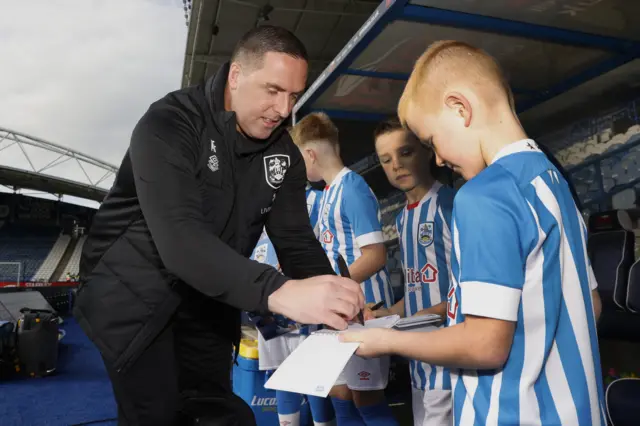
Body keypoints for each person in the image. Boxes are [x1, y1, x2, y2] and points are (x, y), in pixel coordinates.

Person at [73, 26, 364, 426]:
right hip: (131, 294)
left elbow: (295, 239)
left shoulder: (283, 154)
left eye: (293, 96)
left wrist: (331, 297)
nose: (283, 109)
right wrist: (279, 293)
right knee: (156, 414)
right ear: (236, 76)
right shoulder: (170, 124)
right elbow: (181, 241)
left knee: (219, 413)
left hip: (205, 296)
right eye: (273, 90)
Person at [341, 40, 605, 425]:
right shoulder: (553, 182)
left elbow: (485, 344)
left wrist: (385, 340)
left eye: (431, 141)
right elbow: (591, 306)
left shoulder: (483, 195)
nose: (439, 158)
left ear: (459, 108)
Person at [290, 112, 397, 426]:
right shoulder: (327, 194)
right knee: (340, 395)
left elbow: (375, 254)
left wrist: (334, 286)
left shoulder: (352, 188)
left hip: (365, 311)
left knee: (367, 399)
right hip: (340, 313)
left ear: (310, 154)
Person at [371, 118, 455, 426]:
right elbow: (416, 290)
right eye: (386, 160)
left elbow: (470, 292)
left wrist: (404, 326)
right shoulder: (403, 220)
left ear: (425, 150)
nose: (396, 165)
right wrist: (383, 316)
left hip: (450, 363)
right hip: (419, 365)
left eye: (404, 152)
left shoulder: (450, 205)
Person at [251, 183, 336, 426]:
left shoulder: (319, 200)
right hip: (268, 303)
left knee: (313, 374)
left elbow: (328, 247)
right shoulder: (254, 204)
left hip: (305, 301)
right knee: (282, 374)